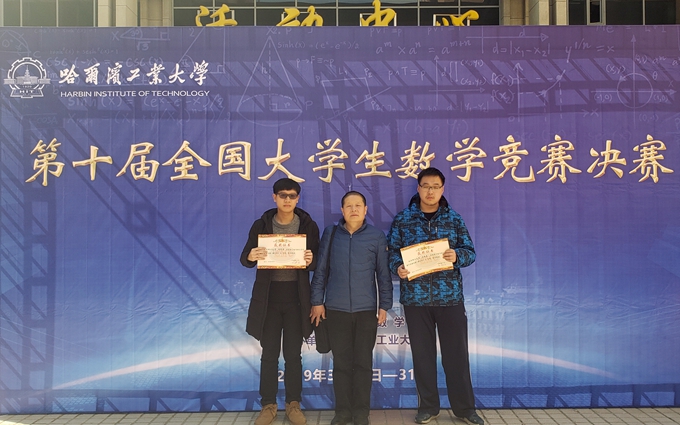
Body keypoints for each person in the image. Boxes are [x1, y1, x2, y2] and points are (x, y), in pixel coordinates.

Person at [386, 167, 485, 425]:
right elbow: (391, 252)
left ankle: (464, 409)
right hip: (416, 299)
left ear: (442, 189)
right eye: (426, 186)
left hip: (449, 298)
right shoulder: (403, 219)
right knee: (422, 356)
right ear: (418, 188)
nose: (430, 191)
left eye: (435, 187)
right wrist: (398, 266)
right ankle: (428, 407)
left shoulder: (453, 218)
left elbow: (470, 252)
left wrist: (456, 256)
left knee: (457, 356)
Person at [240, 178, 320, 425]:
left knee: (293, 355)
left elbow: (317, 262)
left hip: (297, 300)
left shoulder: (308, 225)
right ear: (274, 197)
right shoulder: (262, 224)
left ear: (298, 199)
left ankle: (293, 404)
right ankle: (268, 404)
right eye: (283, 195)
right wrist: (252, 255)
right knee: (269, 354)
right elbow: (245, 258)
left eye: (292, 195)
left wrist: (311, 260)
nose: (287, 199)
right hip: (268, 299)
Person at [310, 191, 393, 425]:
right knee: (341, 363)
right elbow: (321, 270)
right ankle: (343, 412)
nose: (354, 209)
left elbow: (383, 274)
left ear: (365, 210)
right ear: (342, 210)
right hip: (335, 309)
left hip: (366, 310)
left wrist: (384, 305)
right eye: (349, 206)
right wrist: (317, 301)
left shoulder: (376, 236)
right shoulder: (331, 233)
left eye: (358, 205)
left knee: (363, 363)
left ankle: (361, 412)